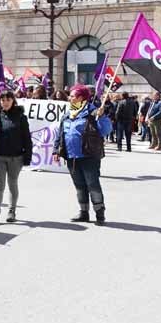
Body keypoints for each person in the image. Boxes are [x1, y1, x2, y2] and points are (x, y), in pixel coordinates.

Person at [52, 85, 112, 225]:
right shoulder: (68, 114)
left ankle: (99, 213)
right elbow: (61, 133)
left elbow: (106, 130)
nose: (69, 98)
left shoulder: (93, 112)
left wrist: (102, 116)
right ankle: (83, 212)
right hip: (71, 156)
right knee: (79, 185)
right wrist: (56, 150)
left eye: (72, 96)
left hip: (89, 156)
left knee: (92, 184)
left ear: (81, 98)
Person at [0, 90, 33, 225]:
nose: (5, 102)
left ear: (13, 101)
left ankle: (12, 211)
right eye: (2, 100)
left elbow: (27, 139)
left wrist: (27, 157)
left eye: (8, 100)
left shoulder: (21, 117)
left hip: (16, 157)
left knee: (12, 183)